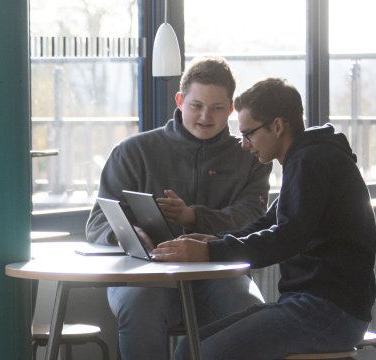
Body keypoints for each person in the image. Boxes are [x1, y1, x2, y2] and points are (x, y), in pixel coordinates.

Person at [157, 78, 376, 360]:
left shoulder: (312, 161)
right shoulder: (305, 157)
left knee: (205, 354)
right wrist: (216, 241)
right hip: (309, 305)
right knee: (189, 348)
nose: (245, 145)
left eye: (248, 134)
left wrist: (211, 251)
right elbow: (268, 223)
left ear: (277, 126)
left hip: (331, 311)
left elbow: (287, 237)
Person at [84, 57, 271, 360]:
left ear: (232, 108)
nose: (205, 117)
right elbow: (97, 224)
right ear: (180, 100)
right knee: (139, 304)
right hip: (144, 277)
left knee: (249, 309)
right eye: (196, 106)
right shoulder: (133, 151)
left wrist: (195, 216)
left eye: (217, 108)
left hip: (219, 276)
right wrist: (128, 235)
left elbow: (254, 219)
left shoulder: (250, 157)